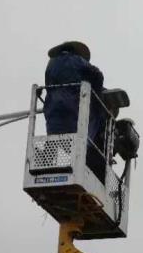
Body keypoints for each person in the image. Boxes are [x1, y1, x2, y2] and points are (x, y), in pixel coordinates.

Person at [43, 41, 107, 178]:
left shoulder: (50, 65)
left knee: (53, 142)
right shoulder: (78, 61)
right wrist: (96, 97)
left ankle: (47, 165)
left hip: (52, 119)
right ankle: (96, 174)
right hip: (74, 117)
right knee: (98, 122)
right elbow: (98, 75)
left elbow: (49, 86)